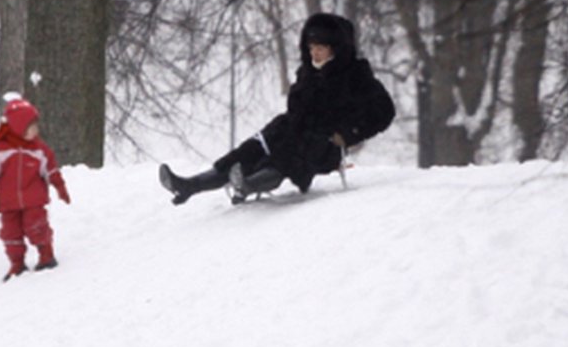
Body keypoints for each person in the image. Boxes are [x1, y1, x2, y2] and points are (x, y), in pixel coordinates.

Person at [159, 12, 395, 205]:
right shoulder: (307, 73)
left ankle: (249, 183)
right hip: (291, 128)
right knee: (251, 149)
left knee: (291, 151)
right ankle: (190, 186)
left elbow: (384, 111)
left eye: (321, 47)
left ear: (336, 48)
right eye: (311, 47)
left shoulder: (356, 74)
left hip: (326, 143)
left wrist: (348, 134)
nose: (315, 52)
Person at [0, 95, 71, 281]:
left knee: (36, 226)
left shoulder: (38, 150)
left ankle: (46, 255)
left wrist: (60, 187)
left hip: (33, 199)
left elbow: (51, 169)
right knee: (10, 233)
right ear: (18, 127)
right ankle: (17, 263)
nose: (35, 131)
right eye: (31, 127)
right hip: (8, 202)